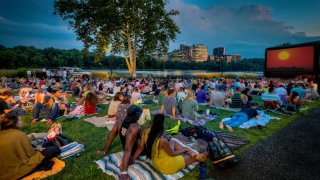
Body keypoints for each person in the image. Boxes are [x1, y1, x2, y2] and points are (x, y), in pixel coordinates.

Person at [131, 114, 206, 174]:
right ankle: (198, 153)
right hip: (168, 165)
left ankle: (191, 152)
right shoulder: (162, 140)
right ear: (162, 124)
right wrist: (184, 149)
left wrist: (132, 160)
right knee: (198, 156)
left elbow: (141, 147)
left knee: (173, 141)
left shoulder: (146, 130)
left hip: (156, 161)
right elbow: (172, 154)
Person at [0, 114, 60, 179]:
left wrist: (36, 148)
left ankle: (51, 134)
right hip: (19, 170)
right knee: (54, 149)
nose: (22, 121)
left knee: (36, 143)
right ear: (14, 123)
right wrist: (38, 150)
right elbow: (32, 155)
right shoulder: (19, 135)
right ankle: (54, 134)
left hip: (3, 173)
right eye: (20, 120)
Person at [97, 105, 143, 180]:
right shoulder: (135, 127)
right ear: (137, 116)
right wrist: (124, 172)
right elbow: (128, 149)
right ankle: (129, 161)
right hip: (135, 152)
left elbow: (110, 137)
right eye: (140, 115)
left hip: (127, 149)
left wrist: (105, 151)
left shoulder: (119, 122)